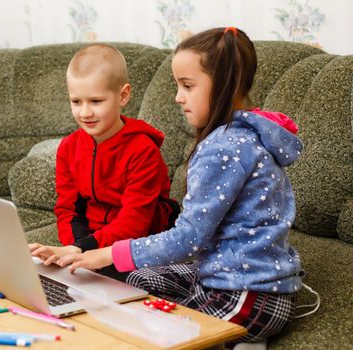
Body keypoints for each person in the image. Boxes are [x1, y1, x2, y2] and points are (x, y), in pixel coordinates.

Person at [58, 27, 307, 344]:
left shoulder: (224, 148)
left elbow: (189, 238)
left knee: (145, 327)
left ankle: (243, 337)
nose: (178, 96)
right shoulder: (241, 131)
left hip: (250, 295)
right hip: (221, 273)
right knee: (136, 279)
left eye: (187, 86)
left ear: (224, 86)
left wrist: (105, 254)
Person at [29, 43, 178, 278]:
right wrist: (74, 247)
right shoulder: (68, 147)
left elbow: (134, 224)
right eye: (76, 102)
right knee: (41, 274)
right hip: (88, 245)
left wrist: (82, 249)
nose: (85, 112)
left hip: (134, 249)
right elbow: (67, 209)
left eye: (96, 101)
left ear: (123, 95)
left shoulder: (143, 150)